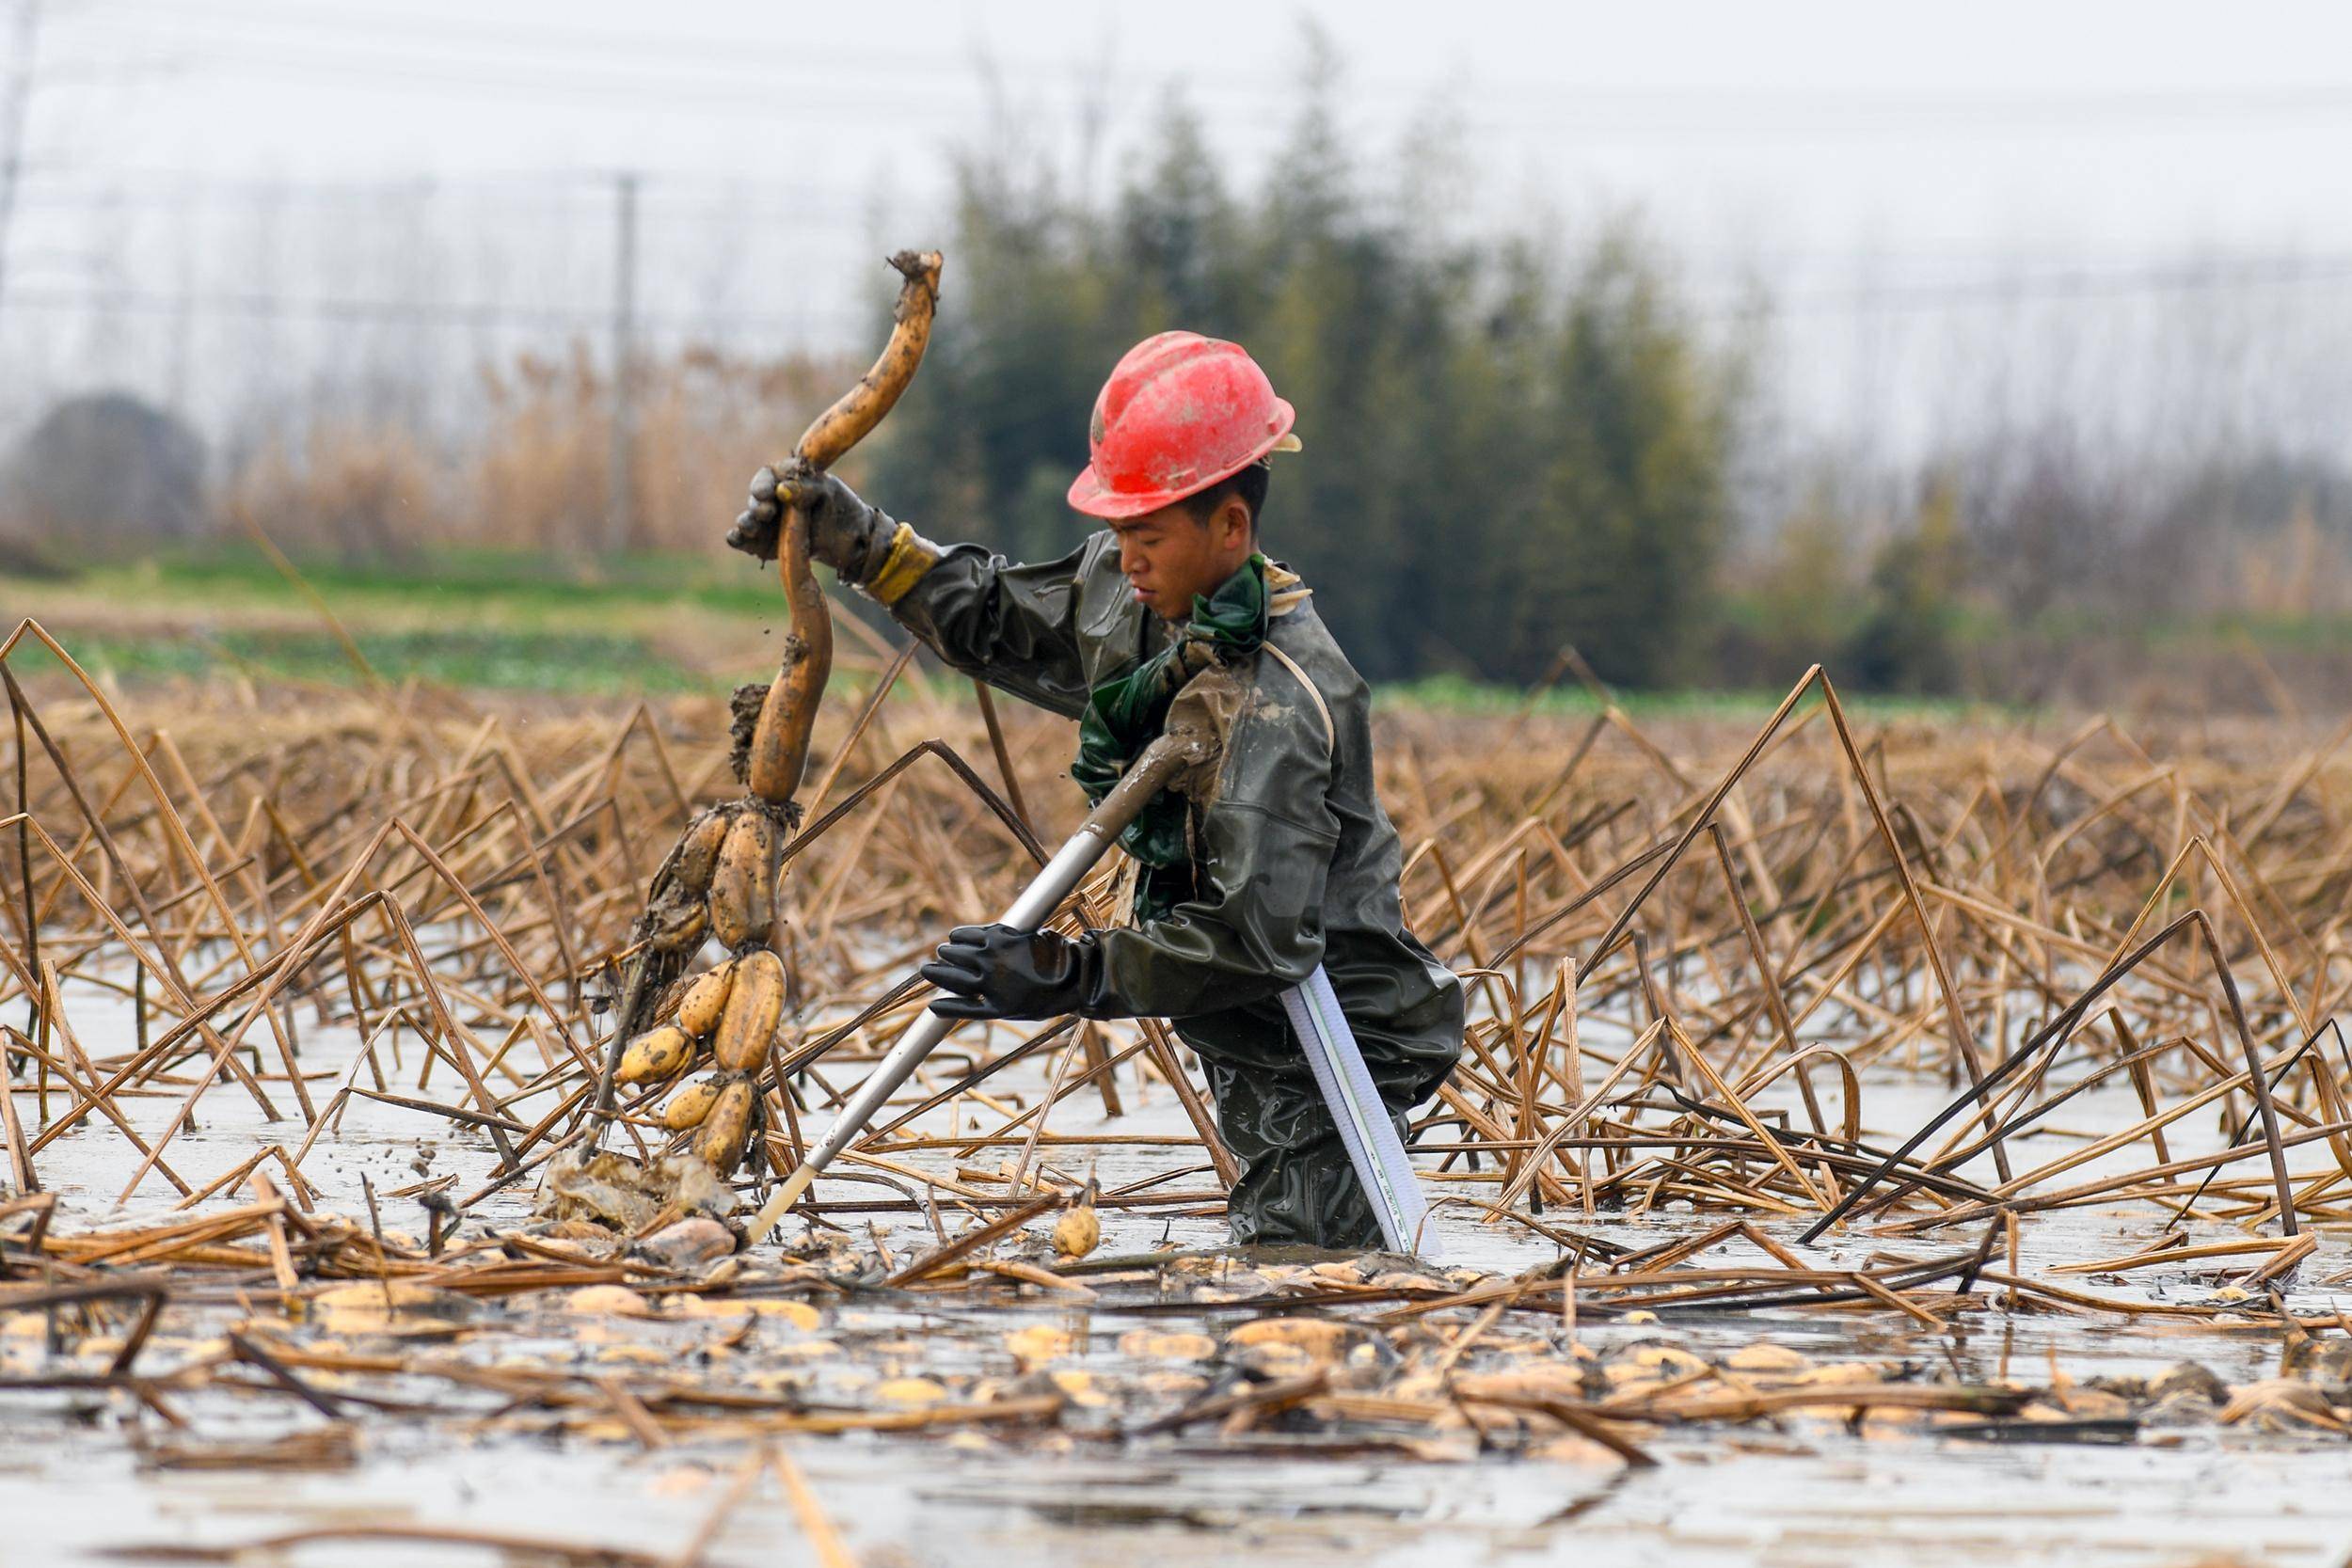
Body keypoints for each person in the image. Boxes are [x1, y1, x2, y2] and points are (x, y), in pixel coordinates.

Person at [727, 330, 1462, 1249]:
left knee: (1306, 1280)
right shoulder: (1134, 584)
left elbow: (1260, 939)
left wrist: (1068, 975)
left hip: (1327, 1053)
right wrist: (859, 541)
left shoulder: (1287, 697)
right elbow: (1002, 616)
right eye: (1117, 528)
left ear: (1229, 526)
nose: (1125, 555)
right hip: (1237, 1027)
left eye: (1145, 532)